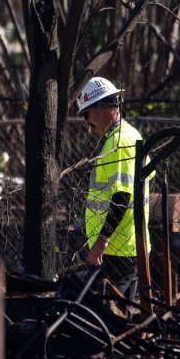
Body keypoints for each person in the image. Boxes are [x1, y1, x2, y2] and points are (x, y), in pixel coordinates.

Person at [67, 76, 149, 303]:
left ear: (103, 107)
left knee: (109, 313)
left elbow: (123, 195)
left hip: (116, 247)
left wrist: (103, 238)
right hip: (121, 244)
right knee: (121, 310)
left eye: (87, 113)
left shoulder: (120, 140)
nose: (86, 121)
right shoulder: (126, 136)